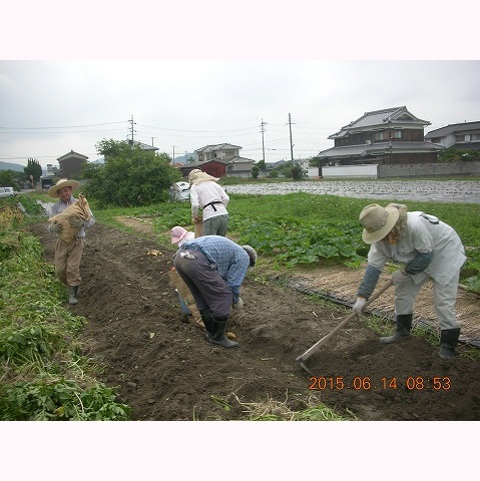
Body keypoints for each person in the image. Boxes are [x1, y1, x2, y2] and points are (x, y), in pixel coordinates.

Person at [352, 203, 466, 359]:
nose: (382, 238)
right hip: (418, 256)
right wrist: (362, 297)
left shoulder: (414, 226)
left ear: (391, 226)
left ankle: (448, 346)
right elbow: (373, 269)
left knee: (443, 301)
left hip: (444, 252)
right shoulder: (379, 242)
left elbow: (426, 256)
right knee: (403, 291)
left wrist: (406, 271)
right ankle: (402, 332)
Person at [172, 235, 257, 348]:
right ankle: (218, 337)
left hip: (180, 257)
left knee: (201, 296)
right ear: (250, 260)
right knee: (225, 295)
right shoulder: (244, 257)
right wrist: (235, 300)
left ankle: (211, 333)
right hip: (195, 260)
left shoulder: (230, 250)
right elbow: (233, 285)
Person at [47, 179, 96, 305]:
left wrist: (82, 223)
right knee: (60, 270)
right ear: (58, 194)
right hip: (62, 242)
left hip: (77, 241)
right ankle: (70, 285)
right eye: (61, 192)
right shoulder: (55, 207)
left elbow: (92, 221)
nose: (64, 193)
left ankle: (73, 293)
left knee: (72, 268)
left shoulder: (80, 204)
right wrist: (52, 229)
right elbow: (49, 225)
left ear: (70, 190)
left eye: (66, 190)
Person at [187, 169, 230, 236]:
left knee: (208, 241)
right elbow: (226, 198)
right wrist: (221, 208)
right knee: (221, 241)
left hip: (210, 216)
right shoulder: (214, 184)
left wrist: (195, 216)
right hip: (224, 214)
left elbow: (195, 205)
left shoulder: (195, 186)